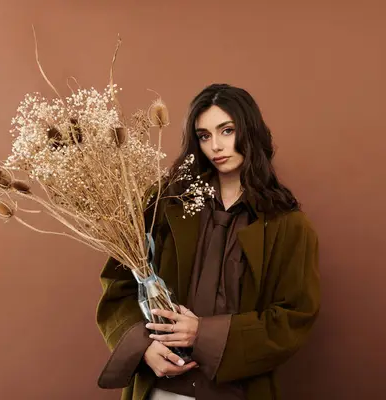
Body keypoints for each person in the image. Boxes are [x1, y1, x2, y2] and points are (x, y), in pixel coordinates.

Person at [95, 83, 320, 400]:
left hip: (236, 392)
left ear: (249, 131)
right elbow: (119, 284)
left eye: (227, 131)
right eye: (204, 135)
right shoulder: (163, 203)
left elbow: (293, 318)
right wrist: (144, 348)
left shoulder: (287, 225)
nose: (216, 146)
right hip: (158, 390)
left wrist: (203, 333)